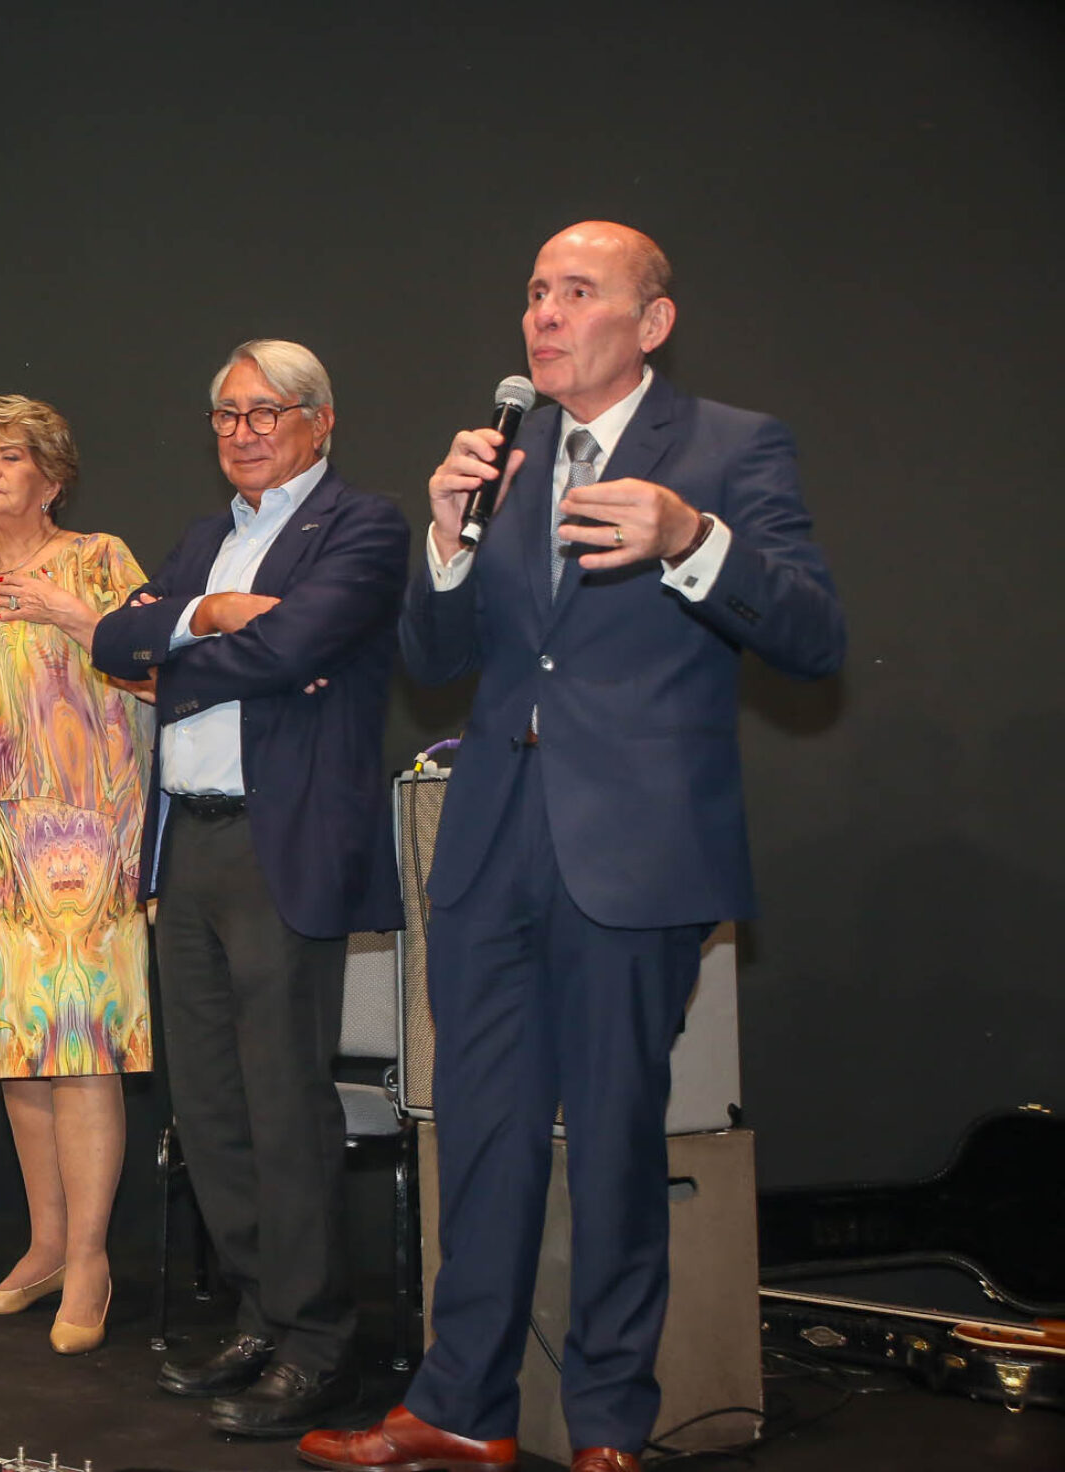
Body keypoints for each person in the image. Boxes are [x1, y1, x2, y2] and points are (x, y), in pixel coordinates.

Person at [300, 224, 845, 1472]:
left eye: (578, 292)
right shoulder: (506, 456)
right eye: (536, 292)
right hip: (493, 839)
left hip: (636, 849)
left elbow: (814, 635)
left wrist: (692, 537)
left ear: (651, 323)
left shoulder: (728, 449)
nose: (544, 314)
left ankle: (609, 1425)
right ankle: (460, 1405)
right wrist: (446, 539)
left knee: (612, 1141)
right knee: (481, 1138)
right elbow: (437, 662)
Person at [91, 340, 407, 1438]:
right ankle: (261, 1315)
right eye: (226, 414)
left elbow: (293, 649)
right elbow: (112, 637)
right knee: (211, 1106)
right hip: (189, 844)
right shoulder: (204, 539)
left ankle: (320, 1343)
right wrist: (217, 615)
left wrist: (180, 646)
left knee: (283, 1103)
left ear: (321, 420)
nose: (242, 432)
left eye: (265, 412)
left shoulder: (363, 527)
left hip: (284, 845)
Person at [0, 394, 154, 1355]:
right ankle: (46, 1248)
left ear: (51, 479)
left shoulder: (100, 559)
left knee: (81, 1050)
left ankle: (91, 1260)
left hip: (84, 842)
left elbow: (154, 672)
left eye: (9, 455)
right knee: (18, 1053)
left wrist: (69, 610)